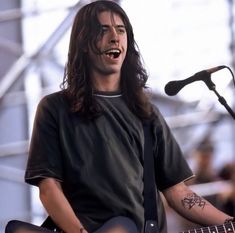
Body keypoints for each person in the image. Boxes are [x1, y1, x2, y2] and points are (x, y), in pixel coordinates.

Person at [5, 1, 234, 233]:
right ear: (83, 43)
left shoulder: (147, 114)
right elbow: (49, 188)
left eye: (121, 30)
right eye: (103, 30)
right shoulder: (54, 108)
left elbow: (178, 192)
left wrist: (229, 224)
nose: (114, 37)